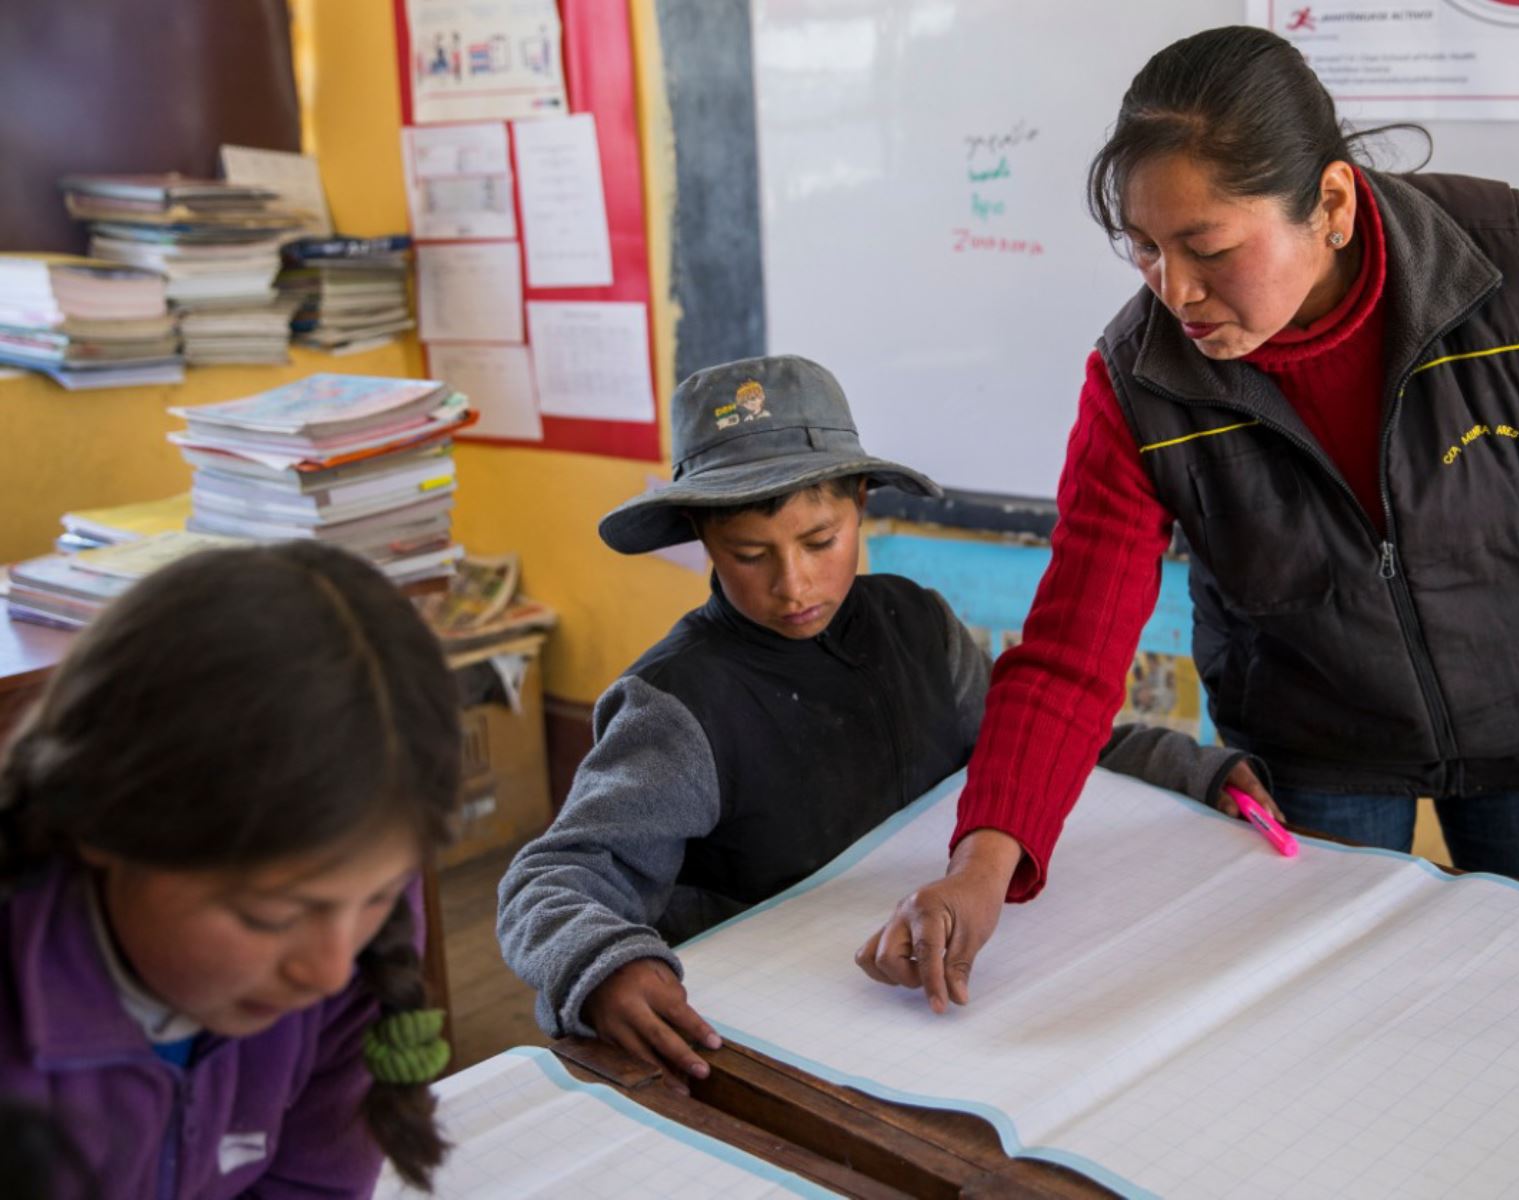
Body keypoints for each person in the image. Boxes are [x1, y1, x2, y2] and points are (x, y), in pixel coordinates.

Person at [858, 25, 1519, 1009]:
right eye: (1145, 250)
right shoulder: (1141, 381)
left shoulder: (1506, 267)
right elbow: (1070, 651)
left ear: (1333, 205)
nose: (1176, 292)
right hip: (1319, 748)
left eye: (1208, 248)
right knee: (1335, 1019)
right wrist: (980, 865)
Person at [496, 354, 1258, 1083]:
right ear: (703, 538)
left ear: (860, 502)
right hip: (775, 1029)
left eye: (819, 542)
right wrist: (600, 965)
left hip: (938, 1003)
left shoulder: (917, 624)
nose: (794, 584)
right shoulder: (675, 704)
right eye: (750, 554)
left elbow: (1024, 743)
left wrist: (1182, 766)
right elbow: (555, 876)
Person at [0, 541, 461, 1194]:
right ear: (100, 823)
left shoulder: (352, 931)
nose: (330, 970)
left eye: (381, 897)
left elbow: (313, 1185)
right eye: (267, 916)